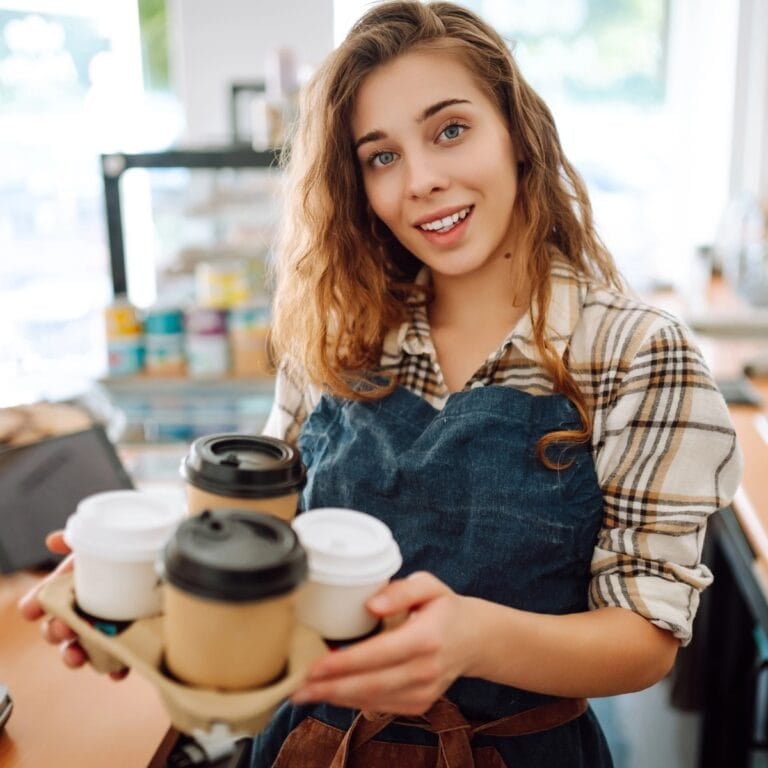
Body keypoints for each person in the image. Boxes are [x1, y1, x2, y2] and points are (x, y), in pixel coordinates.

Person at [19, 2, 742, 766]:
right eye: (381, 156)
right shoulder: (338, 333)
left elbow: (645, 639)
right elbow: (270, 533)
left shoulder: (636, 353)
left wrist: (473, 639)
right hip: (308, 745)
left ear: (518, 137)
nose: (422, 180)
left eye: (450, 130)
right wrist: (139, 572)